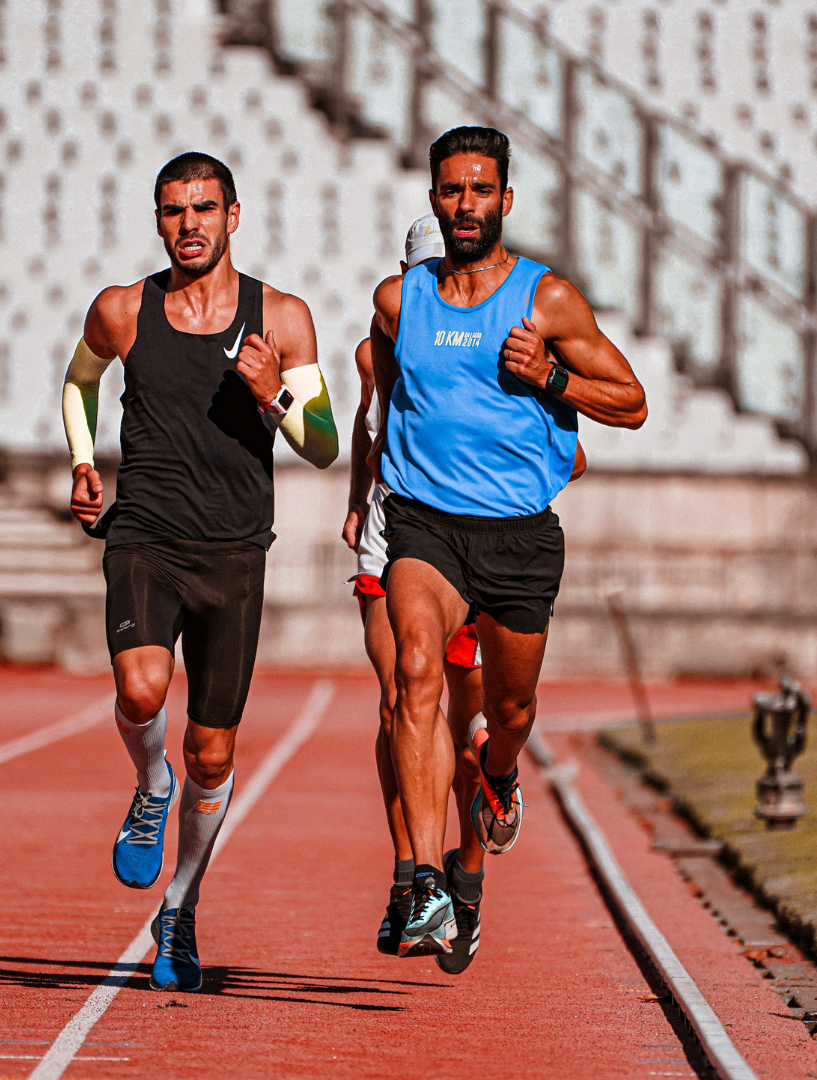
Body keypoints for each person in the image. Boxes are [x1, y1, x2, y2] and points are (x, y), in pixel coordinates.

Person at [62, 152, 338, 992]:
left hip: (234, 551)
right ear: (158, 221)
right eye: (175, 210)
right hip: (144, 534)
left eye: (205, 208)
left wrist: (275, 396)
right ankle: (151, 783)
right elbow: (78, 383)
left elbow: (324, 446)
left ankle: (178, 910)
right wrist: (82, 460)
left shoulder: (281, 318)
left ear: (233, 215)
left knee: (213, 756)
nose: (191, 224)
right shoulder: (121, 310)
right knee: (141, 693)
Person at [369, 127, 646, 956]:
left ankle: (495, 776)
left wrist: (549, 378)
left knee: (508, 712)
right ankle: (419, 882)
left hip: (519, 537)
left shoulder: (545, 300)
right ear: (433, 200)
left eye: (480, 190)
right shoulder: (396, 301)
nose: (465, 205)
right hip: (426, 524)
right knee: (415, 669)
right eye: (451, 190)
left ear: (505, 200)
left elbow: (632, 403)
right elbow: (388, 403)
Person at [346, 214, 586, 971]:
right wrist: (361, 499)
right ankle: (412, 880)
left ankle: (468, 875)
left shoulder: (508, 330)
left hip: (496, 535)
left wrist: (510, 457)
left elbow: (573, 454)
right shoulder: (383, 336)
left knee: (478, 721)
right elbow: (370, 424)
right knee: (403, 698)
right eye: (420, 272)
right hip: (409, 529)